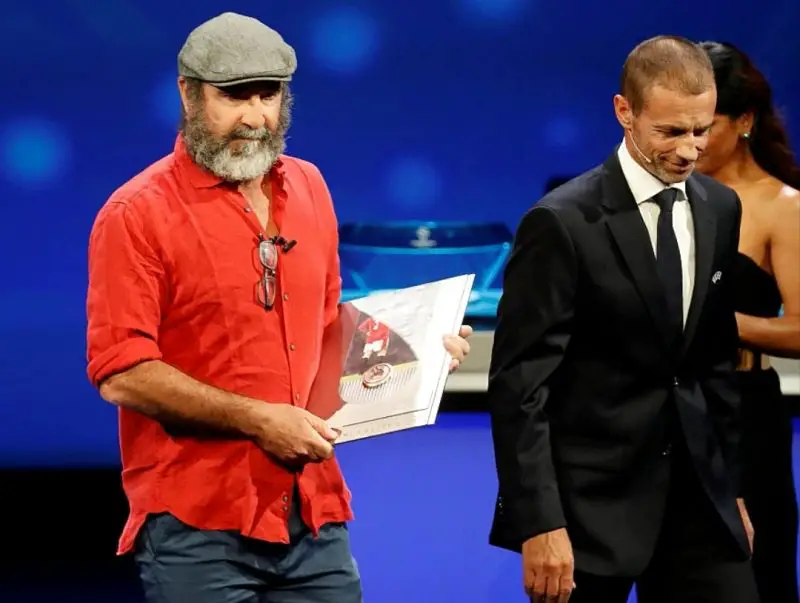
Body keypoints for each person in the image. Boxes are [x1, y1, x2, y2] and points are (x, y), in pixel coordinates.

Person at [85, 12, 472, 603]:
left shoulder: (310, 186)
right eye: (233, 96)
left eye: (267, 96)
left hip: (313, 514)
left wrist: (416, 347)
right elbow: (122, 372)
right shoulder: (135, 214)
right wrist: (259, 419)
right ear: (188, 94)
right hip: (197, 524)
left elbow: (326, 327)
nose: (253, 117)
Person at [487, 35, 760, 602]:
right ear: (624, 112)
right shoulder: (561, 222)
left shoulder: (719, 208)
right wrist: (539, 522)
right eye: (670, 131)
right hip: (589, 512)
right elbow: (521, 386)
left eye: (701, 130)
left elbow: (714, 363)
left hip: (698, 506)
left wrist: (729, 489)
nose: (689, 150)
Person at [696, 40, 800, 603]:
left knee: (753, 578)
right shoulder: (664, 197)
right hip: (664, 409)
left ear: (744, 121)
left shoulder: (783, 206)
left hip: (743, 411)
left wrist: (714, 321)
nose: (690, 140)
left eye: (704, 125)